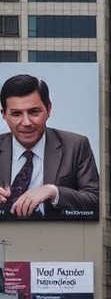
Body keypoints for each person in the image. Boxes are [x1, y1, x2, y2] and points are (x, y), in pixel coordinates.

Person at [0, 74, 100, 220]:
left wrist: (54, 192)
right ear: (4, 115)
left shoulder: (76, 145)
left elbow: (95, 200)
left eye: (34, 112)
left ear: (48, 109)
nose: (26, 122)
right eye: (16, 114)